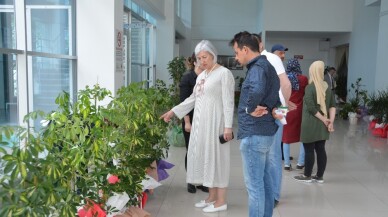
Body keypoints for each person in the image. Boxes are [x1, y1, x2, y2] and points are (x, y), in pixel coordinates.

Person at [161, 40, 235, 213]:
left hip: (217, 124)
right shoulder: (202, 76)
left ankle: (221, 201)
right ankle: (212, 197)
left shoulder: (224, 74)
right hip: (202, 125)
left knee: (218, 160)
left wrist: (228, 127)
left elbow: (229, 102)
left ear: (213, 55)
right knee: (206, 159)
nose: (202, 60)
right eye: (199, 57)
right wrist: (173, 111)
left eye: (205, 56)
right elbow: (192, 99)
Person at [230, 31, 280, 217]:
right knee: (265, 183)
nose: (236, 57)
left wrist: (249, 108)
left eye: (236, 52)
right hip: (266, 133)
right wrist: (275, 110)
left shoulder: (258, 67)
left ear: (245, 49)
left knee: (255, 187)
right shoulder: (268, 65)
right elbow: (277, 94)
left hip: (254, 134)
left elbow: (258, 89)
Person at [254, 34, 292, 207]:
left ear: (261, 44)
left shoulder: (271, 58)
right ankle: (264, 191)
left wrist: (281, 111)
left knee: (273, 156)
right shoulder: (256, 62)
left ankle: (274, 195)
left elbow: (286, 85)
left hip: (273, 116)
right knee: (260, 155)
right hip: (260, 116)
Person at [294, 60, 336, 183]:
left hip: (310, 123)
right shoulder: (327, 87)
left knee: (309, 149)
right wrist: (330, 121)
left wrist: (324, 119)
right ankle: (319, 176)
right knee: (320, 149)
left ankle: (307, 175)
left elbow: (311, 108)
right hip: (323, 124)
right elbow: (332, 106)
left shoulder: (310, 87)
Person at [179, 53, 208, 194]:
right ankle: (191, 180)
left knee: (202, 150)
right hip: (189, 119)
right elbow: (184, 103)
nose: (203, 62)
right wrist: (187, 122)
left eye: (205, 59)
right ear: (195, 62)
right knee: (191, 150)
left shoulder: (207, 77)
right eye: (200, 59)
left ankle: (201, 181)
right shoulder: (188, 78)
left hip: (204, 119)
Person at [282, 58, 308, 171]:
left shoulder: (284, 79)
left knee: (285, 137)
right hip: (299, 110)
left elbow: (280, 96)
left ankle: (287, 164)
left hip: (284, 110)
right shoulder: (303, 79)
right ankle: (300, 162)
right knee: (302, 136)